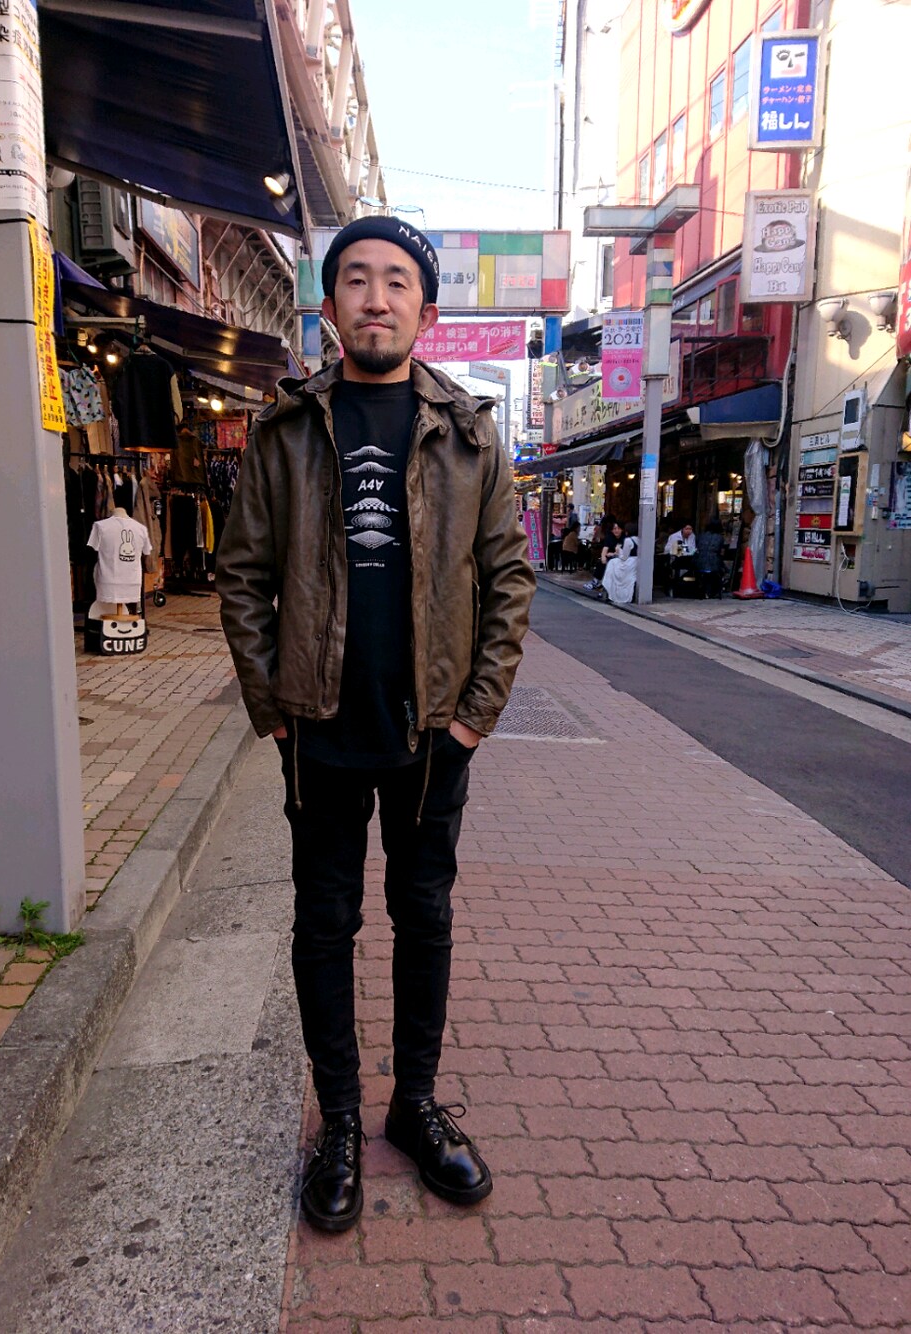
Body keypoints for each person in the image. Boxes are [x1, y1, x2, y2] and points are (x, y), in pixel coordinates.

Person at [216, 215, 536, 1234]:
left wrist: (475, 717)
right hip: (317, 730)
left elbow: (509, 579)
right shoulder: (285, 429)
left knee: (423, 915)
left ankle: (414, 1104)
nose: (377, 298)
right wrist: (272, 709)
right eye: (356, 279)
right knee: (325, 925)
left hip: (432, 734)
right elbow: (242, 576)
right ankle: (343, 1121)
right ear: (330, 305)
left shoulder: (470, 433)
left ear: (425, 312)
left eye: (397, 282)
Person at [601, 521, 638, 604]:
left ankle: (608, 588)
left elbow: (624, 557)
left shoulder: (628, 540)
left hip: (629, 563)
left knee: (612, 563)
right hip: (636, 562)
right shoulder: (639, 539)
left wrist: (618, 551)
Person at [695, 519, 725, 598]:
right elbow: (721, 552)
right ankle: (712, 592)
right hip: (714, 562)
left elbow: (697, 547)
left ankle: (703, 590)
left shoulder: (701, 536)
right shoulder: (720, 537)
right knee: (720, 571)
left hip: (699, 562)